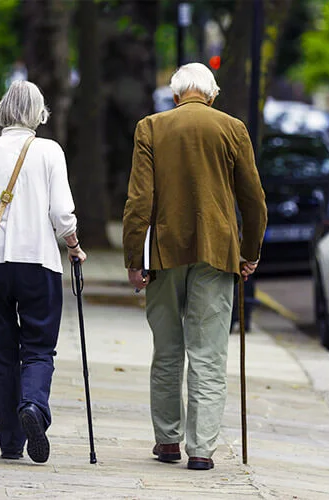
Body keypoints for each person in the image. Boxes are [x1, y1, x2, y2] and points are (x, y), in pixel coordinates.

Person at [122, 63, 267, 471]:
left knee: (167, 350)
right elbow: (254, 200)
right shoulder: (233, 129)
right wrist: (250, 251)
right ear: (212, 95)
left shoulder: (150, 128)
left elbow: (138, 201)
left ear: (175, 96)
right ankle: (201, 449)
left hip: (164, 254)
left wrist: (136, 258)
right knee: (207, 353)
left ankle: (168, 441)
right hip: (218, 254)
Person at [0, 80, 86, 463]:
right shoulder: (49, 151)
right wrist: (73, 246)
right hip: (39, 264)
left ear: (2, 110)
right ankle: (34, 407)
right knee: (40, 348)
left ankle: (10, 442)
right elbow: (61, 214)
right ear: (38, 113)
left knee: (2, 354)